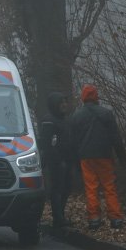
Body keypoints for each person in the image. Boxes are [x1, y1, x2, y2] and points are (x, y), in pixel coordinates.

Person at [68, 84, 126, 229]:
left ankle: (94, 218)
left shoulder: (76, 116)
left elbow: (73, 141)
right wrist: (122, 157)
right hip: (104, 155)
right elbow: (116, 137)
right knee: (109, 186)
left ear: (83, 98)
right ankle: (116, 218)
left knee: (91, 187)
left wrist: (75, 160)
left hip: (86, 157)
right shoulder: (106, 114)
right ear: (96, 97)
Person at [38, 92, 75, 229]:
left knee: (66, 187)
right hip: (56, 161)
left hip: (67, 159)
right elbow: (46, 144)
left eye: (65, 102)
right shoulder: (49, 121)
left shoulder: (65, 119)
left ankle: (60, 215)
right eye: (61, 103)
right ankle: (58, 218)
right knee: (58, 188)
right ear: (55, 105)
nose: (64, 105)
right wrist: (58, 160)